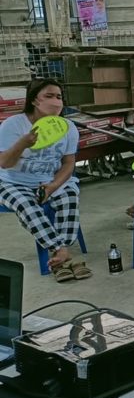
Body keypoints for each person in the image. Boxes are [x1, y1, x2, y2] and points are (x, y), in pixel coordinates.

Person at [0, 79, 89, 281]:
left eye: (59, 97)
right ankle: (61, 251)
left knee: (69, 197)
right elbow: (4, 163)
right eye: (49, 96)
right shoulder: (13, 125)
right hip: (13, 181)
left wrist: (52, 186)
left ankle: (60, 255)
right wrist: (23, 144)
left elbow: (68, 163)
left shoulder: (68, 127)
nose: (55, 101)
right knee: (27, 206)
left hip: (50, 180)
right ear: (34, 100)